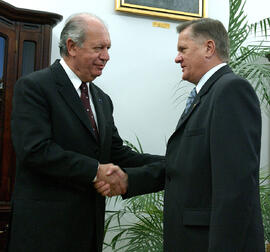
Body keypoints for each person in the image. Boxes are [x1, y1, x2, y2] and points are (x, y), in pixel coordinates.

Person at [96, 18, 265, 251]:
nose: (177, 58)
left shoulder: (231, 90)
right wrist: (129, 180)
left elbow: (235, 188)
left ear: (208, 48)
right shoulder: (208, 95)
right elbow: (186, 167)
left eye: (182, 49)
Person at [8, 13, 163, 252]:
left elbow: (116, 154)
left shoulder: (102, 99)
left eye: (108, 48)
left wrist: (174, 161)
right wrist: (95, 171)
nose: (106, 56)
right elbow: (35, 150)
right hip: (44, 233)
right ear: (72, 46)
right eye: (99, 48)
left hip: (87, 232)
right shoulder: (34, 87)